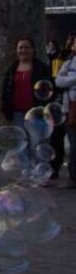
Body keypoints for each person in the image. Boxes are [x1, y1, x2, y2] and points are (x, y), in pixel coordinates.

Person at [0, 35, 52, 160]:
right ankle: (25, 170)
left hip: (37, 113)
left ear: (33, 50)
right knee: (21, 145)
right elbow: (6, 90)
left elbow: (49, 89)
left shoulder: (41, 68)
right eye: (20, 47)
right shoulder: (12, 69)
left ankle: (38, 170)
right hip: (17, 112)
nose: (23, 50)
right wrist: (5, 108)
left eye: (27, 47)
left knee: (36, 144)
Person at [53, 37, 76, 188]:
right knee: (74, 145)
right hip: (70, 109)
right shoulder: (67, 63)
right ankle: (74, 176)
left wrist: (70, 80)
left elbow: (64, 81)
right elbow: (58, 81)